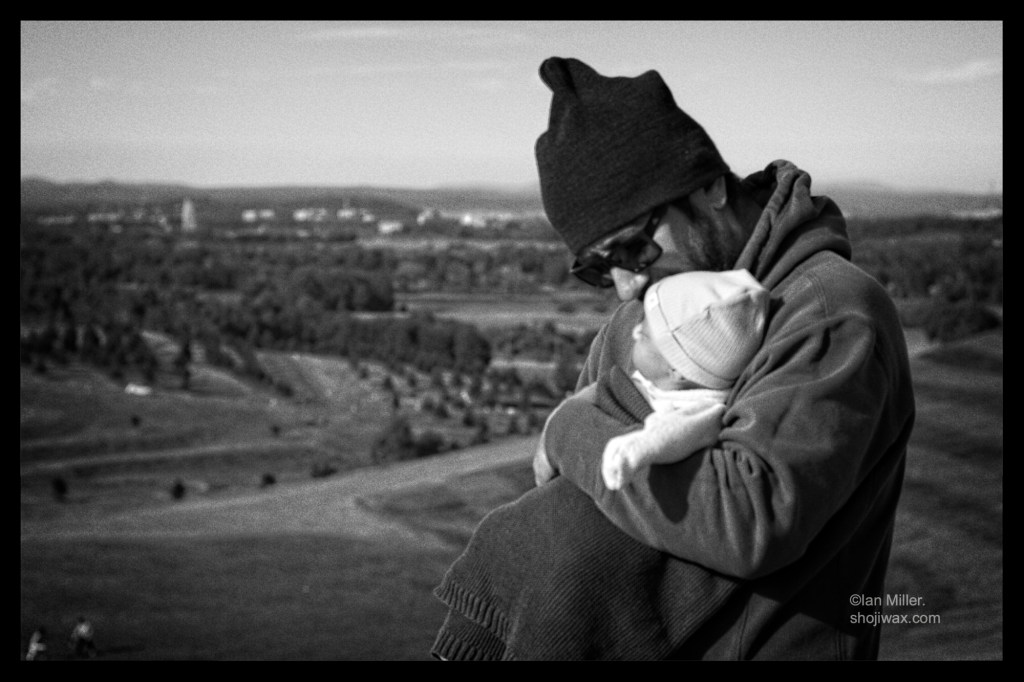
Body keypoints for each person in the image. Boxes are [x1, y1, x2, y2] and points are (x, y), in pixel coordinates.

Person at [431, 56, 915, 660]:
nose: (625, 287)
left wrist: (568, 426)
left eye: (633, 247)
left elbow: (748, 519)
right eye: (596, 268)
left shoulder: (827, 311)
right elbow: (579, 500)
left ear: (709, 187)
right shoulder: (637, 317)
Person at [541, 268, 769, 492]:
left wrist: (629, 452)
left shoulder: (696, 412)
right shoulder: (655, 383)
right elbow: (596, 392)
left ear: (676, 369)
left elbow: (665, 437)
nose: (635, 332)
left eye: (646, 335)